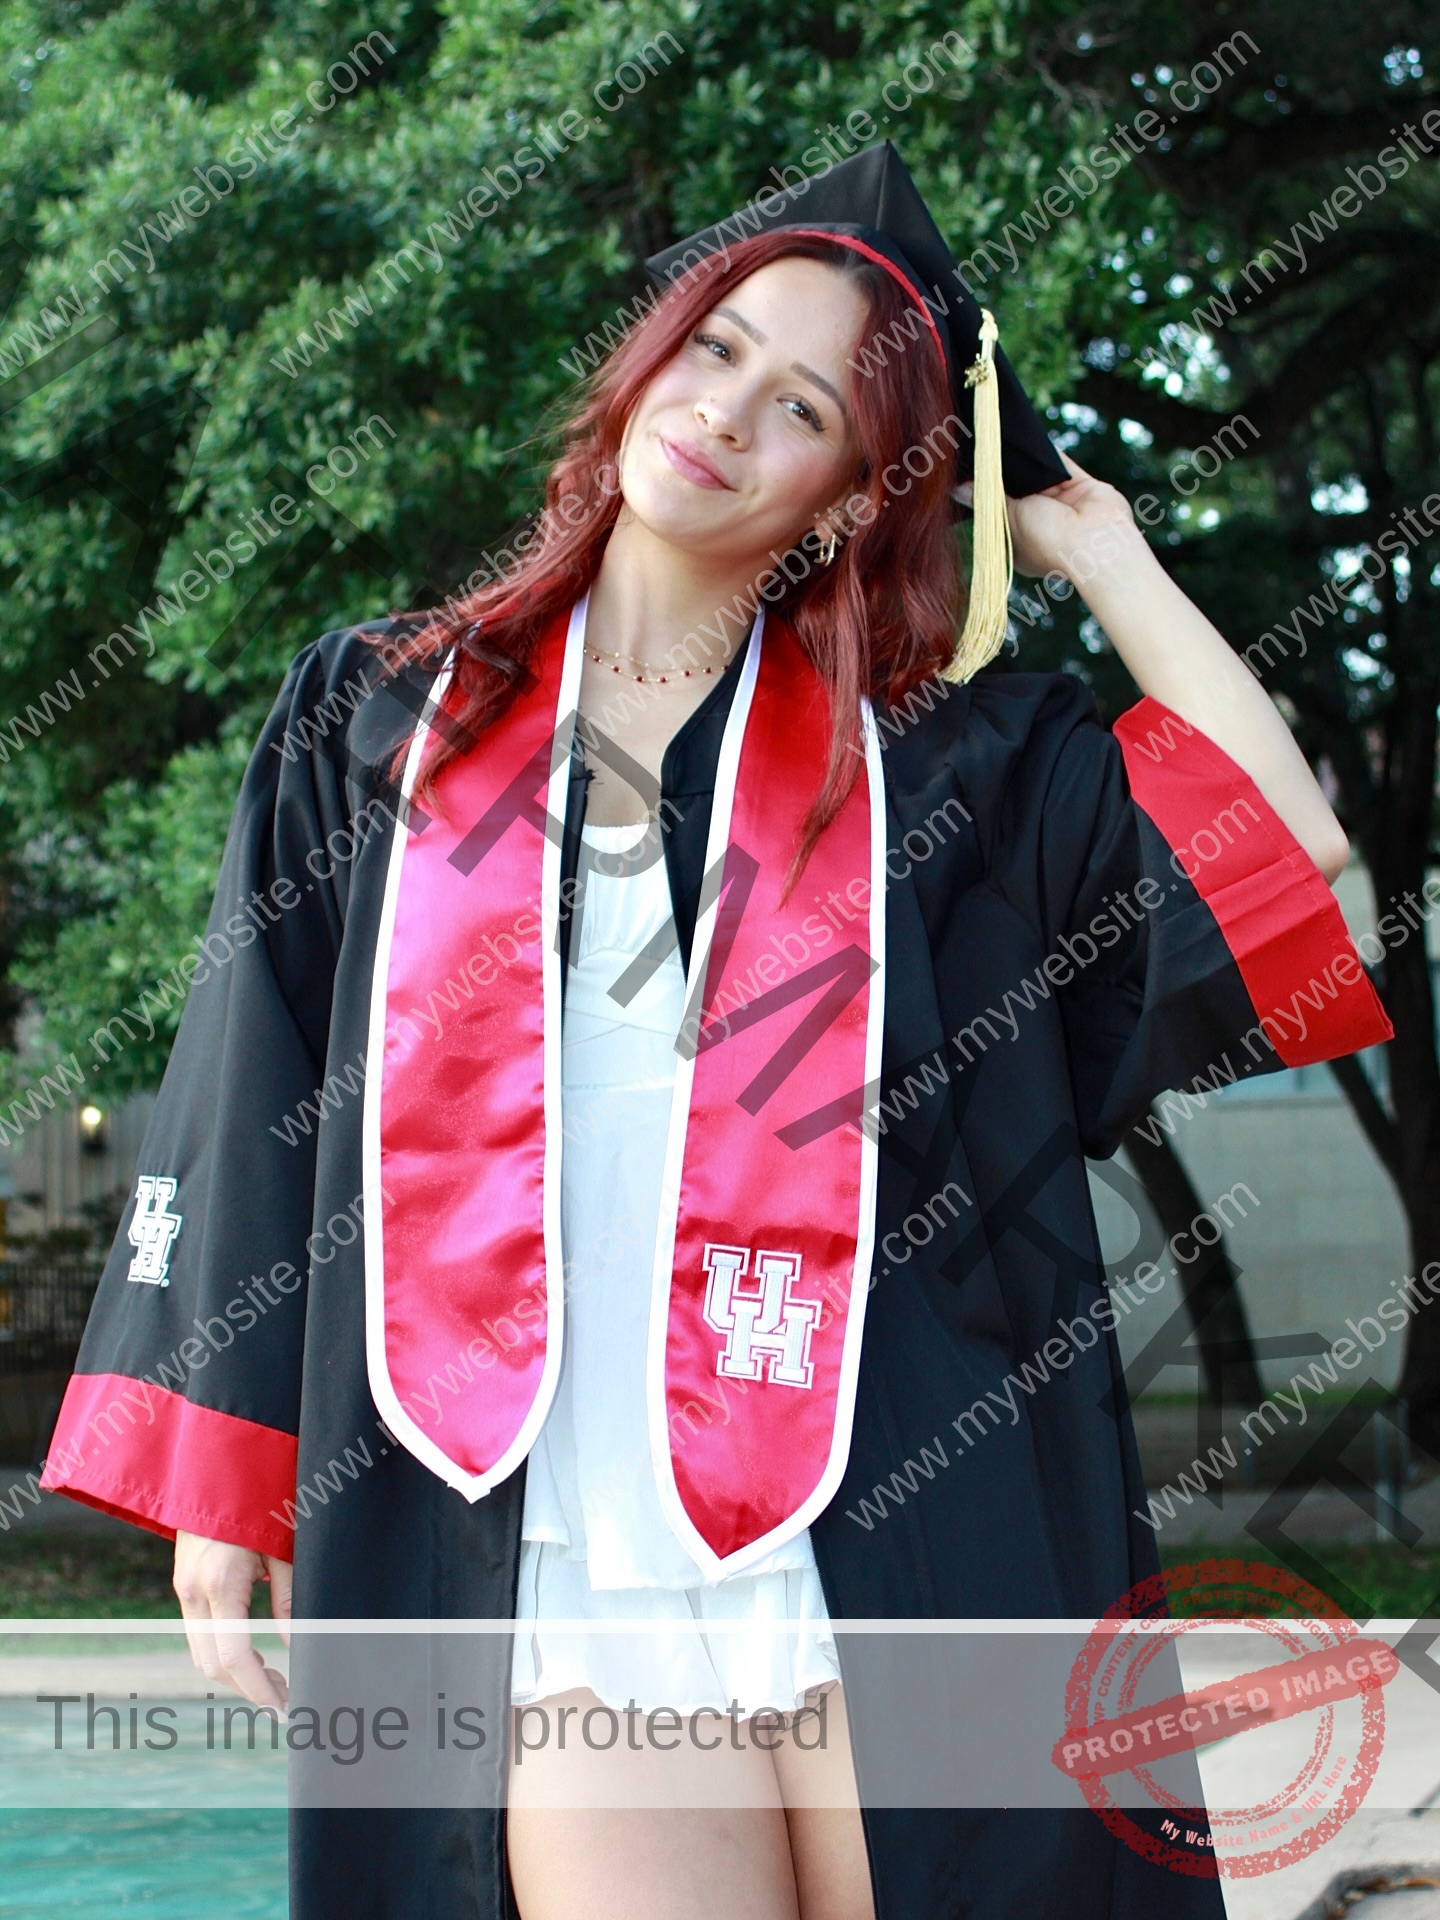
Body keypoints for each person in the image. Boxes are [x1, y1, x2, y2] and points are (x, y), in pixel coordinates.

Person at [42, 144, 1390, 1920]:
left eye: (807, 403)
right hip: (539, 1536)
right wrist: (227, 1479)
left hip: (894, 1510)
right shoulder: (379, 721)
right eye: (716, 346)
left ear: (848, 496)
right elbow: (254, 1085)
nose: (729, 410)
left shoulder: (955, 773)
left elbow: (1310, 883)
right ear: (645, 359)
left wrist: (1087, 532)